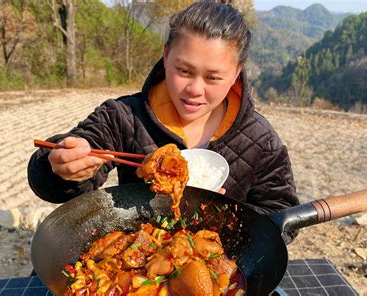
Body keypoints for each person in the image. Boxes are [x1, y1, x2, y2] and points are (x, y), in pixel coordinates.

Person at [28, 1, 299, 243]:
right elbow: (52, 175)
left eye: (213, 78)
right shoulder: (124, 115)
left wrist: (225, 217)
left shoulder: (259, 138)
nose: (195, 89)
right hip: (137, 251)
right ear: (166, 54)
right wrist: (61, 166)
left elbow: (281, 214)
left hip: (214, 261)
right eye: (184, 70)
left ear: (237, 73)